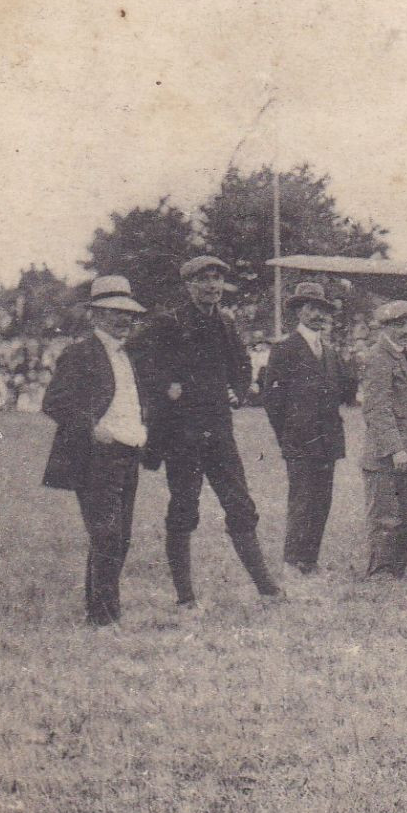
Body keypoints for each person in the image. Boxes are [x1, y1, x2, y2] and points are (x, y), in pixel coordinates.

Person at [129, 255, 283, 607]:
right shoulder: (168, 323)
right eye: (204, 279)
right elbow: (134, 357)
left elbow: (242, 367)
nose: (212, 286)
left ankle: (267, 589)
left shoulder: (226, 324)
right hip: (180, 433)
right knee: (184, 507)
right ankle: (185, 598)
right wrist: (164, 385)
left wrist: (238, 390)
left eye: (217, 279)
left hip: (218, 430)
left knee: (240, 505)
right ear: (189, 284)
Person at [40, 277, 152, 626]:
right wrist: (93, 428)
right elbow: (54, 402)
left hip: (128, 453)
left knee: (120, 537)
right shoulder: (80, 353)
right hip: (95, 456)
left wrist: (142, 428)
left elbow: (131, 399)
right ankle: (104, 617)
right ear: (95, 316)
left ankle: (99, 610)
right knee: (107, 535)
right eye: (114, 312)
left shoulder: (127, 354)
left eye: (128, 314)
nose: (124, 320)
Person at [263, 281, 356, 576]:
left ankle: (310, 560)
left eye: (322, 310)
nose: (318, 315)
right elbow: (272, 400)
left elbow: (344, 392)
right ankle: (292, 560)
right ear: (299, 311)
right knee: (301, 500)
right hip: (299, 440)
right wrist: (288, 435)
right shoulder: (285, 349)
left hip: (327, 439)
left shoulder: (329, 351)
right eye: (312, 308)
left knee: (321, 501)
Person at [359, 300, 407, 579]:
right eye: (399, 324)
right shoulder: (378, 357)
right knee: (385, 518)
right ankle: (380, 574)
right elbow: (377, 408)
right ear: (385, 327)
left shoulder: (402, 356)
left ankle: (396, 571)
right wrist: (396, 449)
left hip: (406, 454)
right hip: (386, 455)